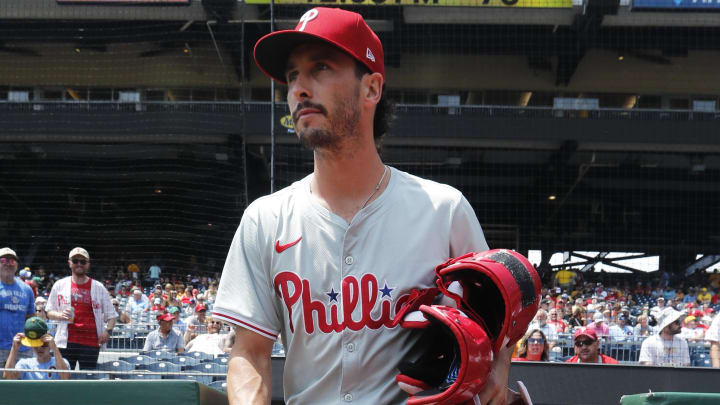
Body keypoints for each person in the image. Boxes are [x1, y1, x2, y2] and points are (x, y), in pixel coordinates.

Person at [210, 8, 517, 405]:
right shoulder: (264, 220)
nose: (298, 88)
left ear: (371, 89)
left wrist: (499, 364)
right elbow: (249, 355)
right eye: (291, 76)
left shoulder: (443, 210)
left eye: (319, 68)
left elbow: (493, 324)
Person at [45, 247, 117, 370]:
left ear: (88, 265)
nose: (79, 264)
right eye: (75, 261)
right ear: (69, 263)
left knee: (88, 380)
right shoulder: (59, 285)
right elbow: (48, 311)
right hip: (65, 342)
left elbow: (112, 315)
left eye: (83, 261)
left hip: (91, 342)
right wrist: (60, 315)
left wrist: (107, 331)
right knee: (64, 378)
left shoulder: (98, 287)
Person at [3, 317, 70, 380]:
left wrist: (55, 349)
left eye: (44, 344)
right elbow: (8, 377)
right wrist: (14, 349)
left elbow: (65, 377)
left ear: (50, 344)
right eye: (35, 345)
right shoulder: (24, 364)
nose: (39, 348)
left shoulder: (61, 362)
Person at [0, 247, 36, 366]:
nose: (8, 264)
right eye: (3, 260)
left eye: (12, 261)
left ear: (16, 265)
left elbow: (31, 318)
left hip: (23, 349)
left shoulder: (27, 289)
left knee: (21, 384)